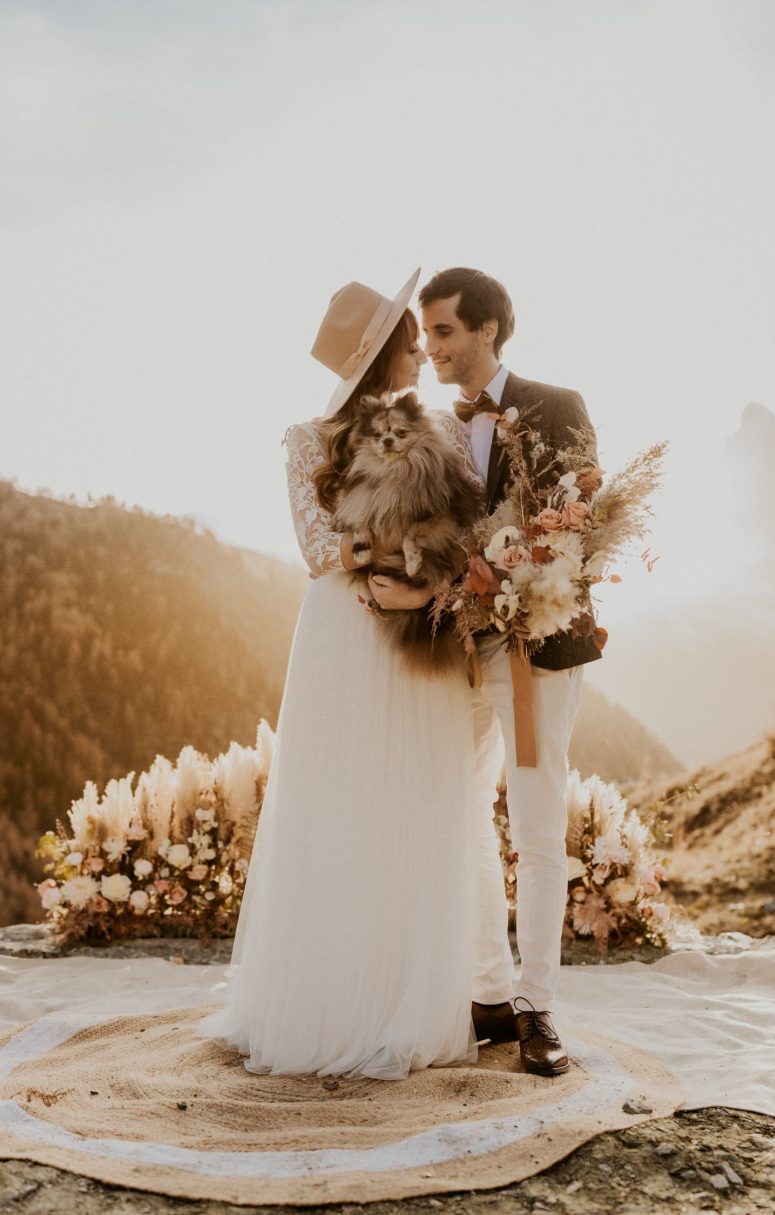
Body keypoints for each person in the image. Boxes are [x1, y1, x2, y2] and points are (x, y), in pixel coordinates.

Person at [199, 270, 481, 1079]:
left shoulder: (439, 432)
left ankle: (403, 996)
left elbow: (462, 534)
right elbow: (318, 551)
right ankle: (329, 1003)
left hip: (413, 632)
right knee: (340, 803)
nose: (422, 356)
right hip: (345, 631)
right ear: (378, 355)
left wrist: (423, 583)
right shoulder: (306, 439)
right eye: (408, 342)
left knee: (413, 802)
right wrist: (384, 562)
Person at [420, 267, 602, 1077]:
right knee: (458, 814)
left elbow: (579, 530)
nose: (431, 349)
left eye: (445, 332)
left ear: (488, 329)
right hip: (454, 653)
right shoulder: (434, 425)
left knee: (534, 827)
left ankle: (536, 1007)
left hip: (537, 648)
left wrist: (521, 582)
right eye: (426, 334)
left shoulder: (558, 405)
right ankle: (488, 989)